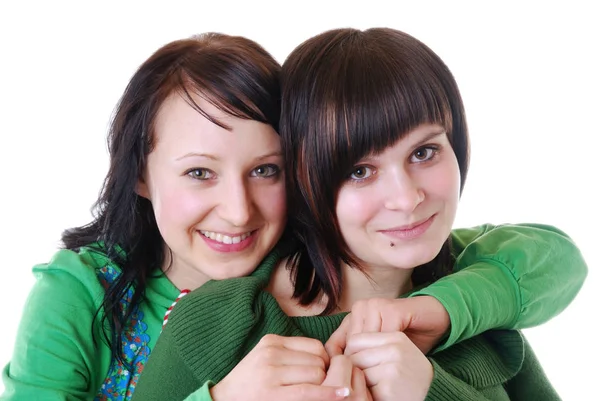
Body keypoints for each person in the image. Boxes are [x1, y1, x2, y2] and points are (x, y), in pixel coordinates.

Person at [0, 32, 586, 401]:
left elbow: (552, 258)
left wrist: (432, 338)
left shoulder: (452, 283)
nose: (237, 210)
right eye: (200, 172)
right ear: (139, 174)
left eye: (266, 170)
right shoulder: (136, 302)